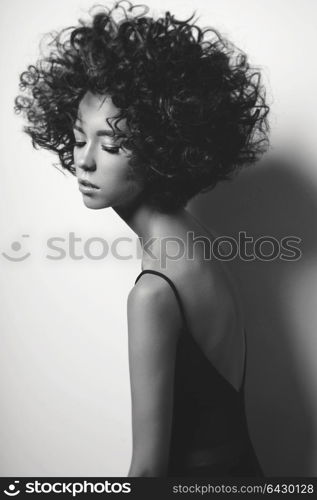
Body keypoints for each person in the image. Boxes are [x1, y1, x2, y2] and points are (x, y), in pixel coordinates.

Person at [14, 0, 270, 477]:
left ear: (162, 147)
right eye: (76, 138)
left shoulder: (153, 293)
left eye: (111, 145)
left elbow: (147, 474)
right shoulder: (196, 240)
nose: (84, 161)